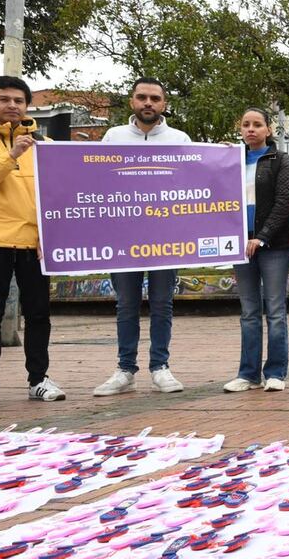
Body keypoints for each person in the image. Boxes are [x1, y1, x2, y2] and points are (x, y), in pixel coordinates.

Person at [94, 78, 192, 397]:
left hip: (167, 239)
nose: (148, 103)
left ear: (164, 104)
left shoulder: (180, 139)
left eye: (155, 98)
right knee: (126, 305)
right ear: (131, 101)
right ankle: (125, 369)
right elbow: (95, 183)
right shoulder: (113, 137)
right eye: (142, 97)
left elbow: (198, 180)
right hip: (123, 239)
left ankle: (160, 367)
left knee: (162, 304)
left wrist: (222, 159)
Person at [0, 76, 64, 410]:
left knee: (39, 315)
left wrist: (54, 235)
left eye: (19, 100)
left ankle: (39, 379)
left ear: (27, 105)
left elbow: (58, 194)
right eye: (4, 99)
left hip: (35, 245)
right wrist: (11, 155)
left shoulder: (43, 144)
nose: (12, 106)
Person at [223, 108, 289, 393]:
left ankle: (276, 372)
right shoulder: (231, 160)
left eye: (257, 125)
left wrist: (263, 237)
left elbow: (287, 200)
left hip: (274, 244)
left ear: (268, 130)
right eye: (246, 125)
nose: (251, 129)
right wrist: (214, 158)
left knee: (275, 309)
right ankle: (248, 374)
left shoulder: (280, 160)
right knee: (249, 311)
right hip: (241, 244)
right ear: (240, 129)